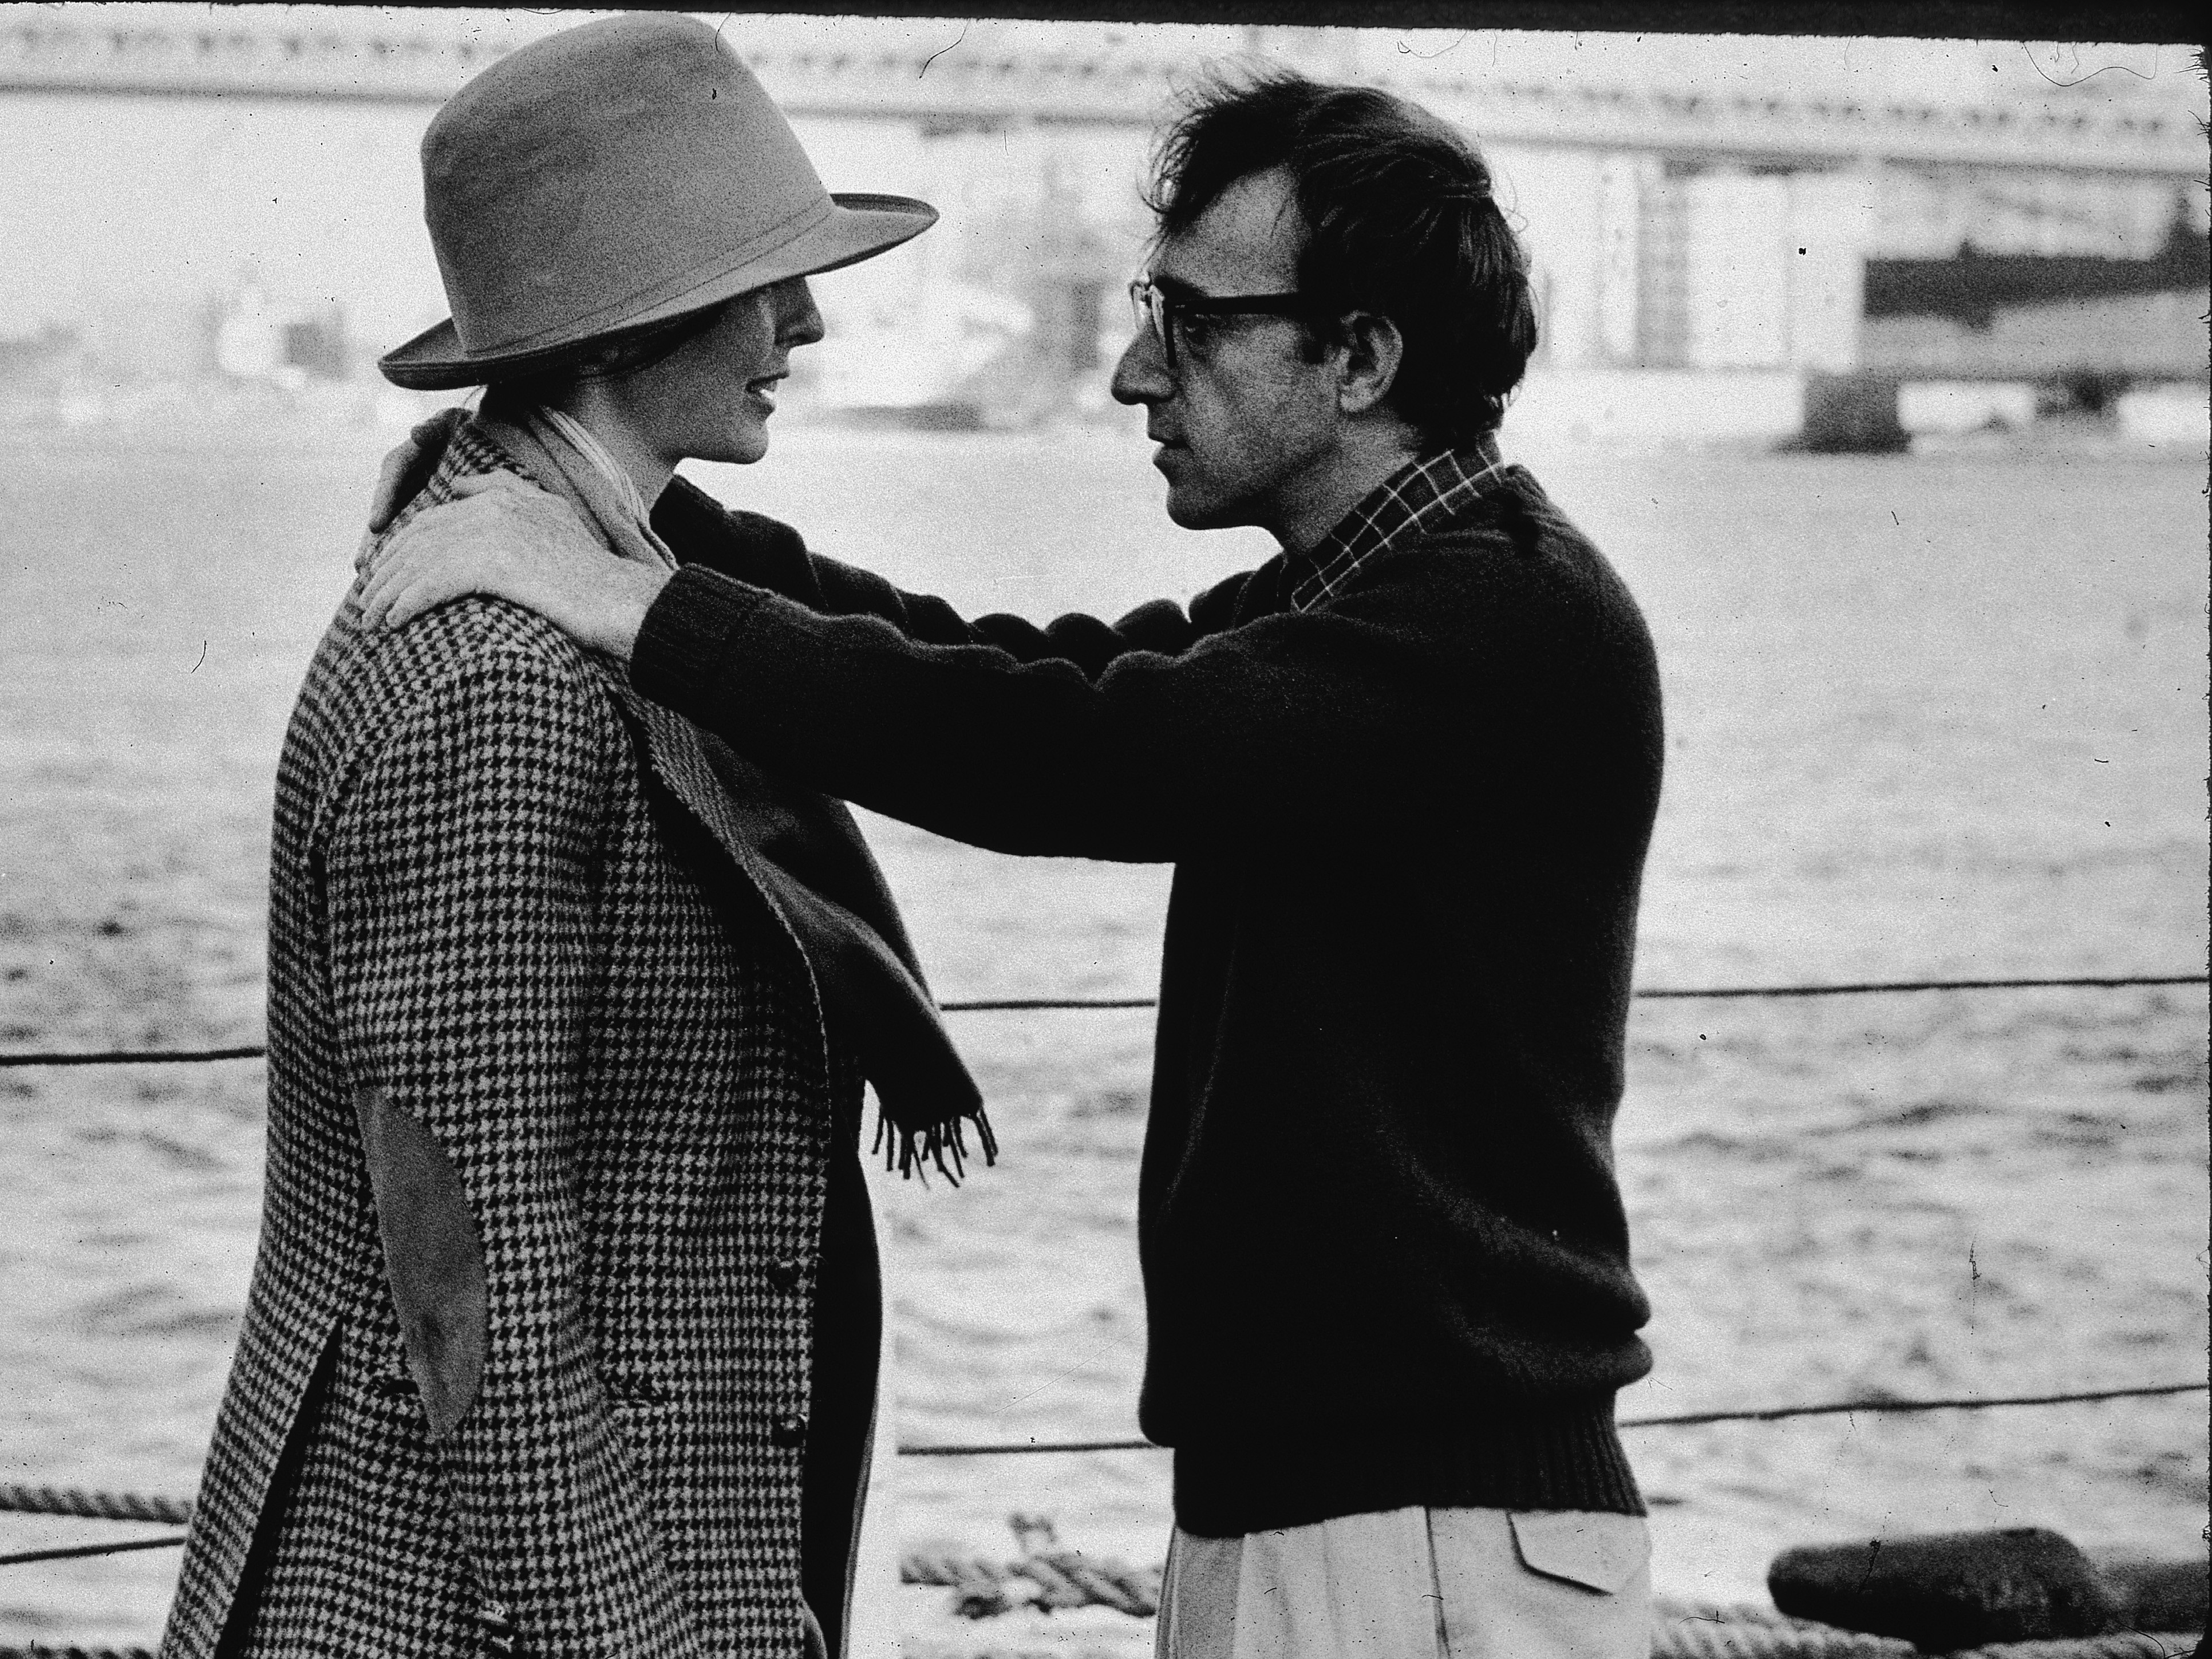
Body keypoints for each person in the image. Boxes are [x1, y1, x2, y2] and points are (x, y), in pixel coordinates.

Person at [364, 61, 1668, 1659]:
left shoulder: (1501, 620)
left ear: (1359, 357)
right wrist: (610, 510)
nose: (1134, 371)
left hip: (1421, 1544)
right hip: (1343, 1524)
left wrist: (639, 605)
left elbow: (1072, 749)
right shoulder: (1358, 600)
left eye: (1193, 323)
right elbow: (1012, 663)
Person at [160, 15, 984, 1658]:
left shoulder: (596, 584)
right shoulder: (500, 678)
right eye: (765, 280)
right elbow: (473, 1278)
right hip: (470, 1612)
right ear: (630, 322)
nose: (807, 322)